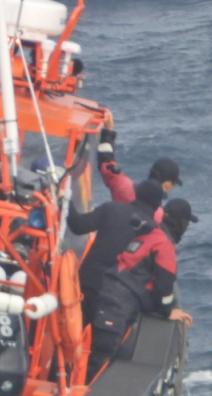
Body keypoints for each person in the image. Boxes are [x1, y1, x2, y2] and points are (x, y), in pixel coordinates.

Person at [85, 197, 194, 379]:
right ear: (181, 223)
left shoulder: (150, 234)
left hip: (107, 290)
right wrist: (168, 311)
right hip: (118, 303)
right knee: (102, 357)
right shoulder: (164, 244)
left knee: (97, 349)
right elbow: (165, 283)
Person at [66, 178, 166, 314]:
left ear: (136, 194)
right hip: (117, 299)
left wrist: (65, 198)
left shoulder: (111, 208)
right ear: (158, 205)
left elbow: (77, 226)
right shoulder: (156, 235)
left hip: (87, 283)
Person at [96, 113, 180, 220]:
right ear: (168, 184)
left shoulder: (123, 186)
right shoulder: (158, 216)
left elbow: (105, 162)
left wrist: (109, 131)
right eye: (173, 184)